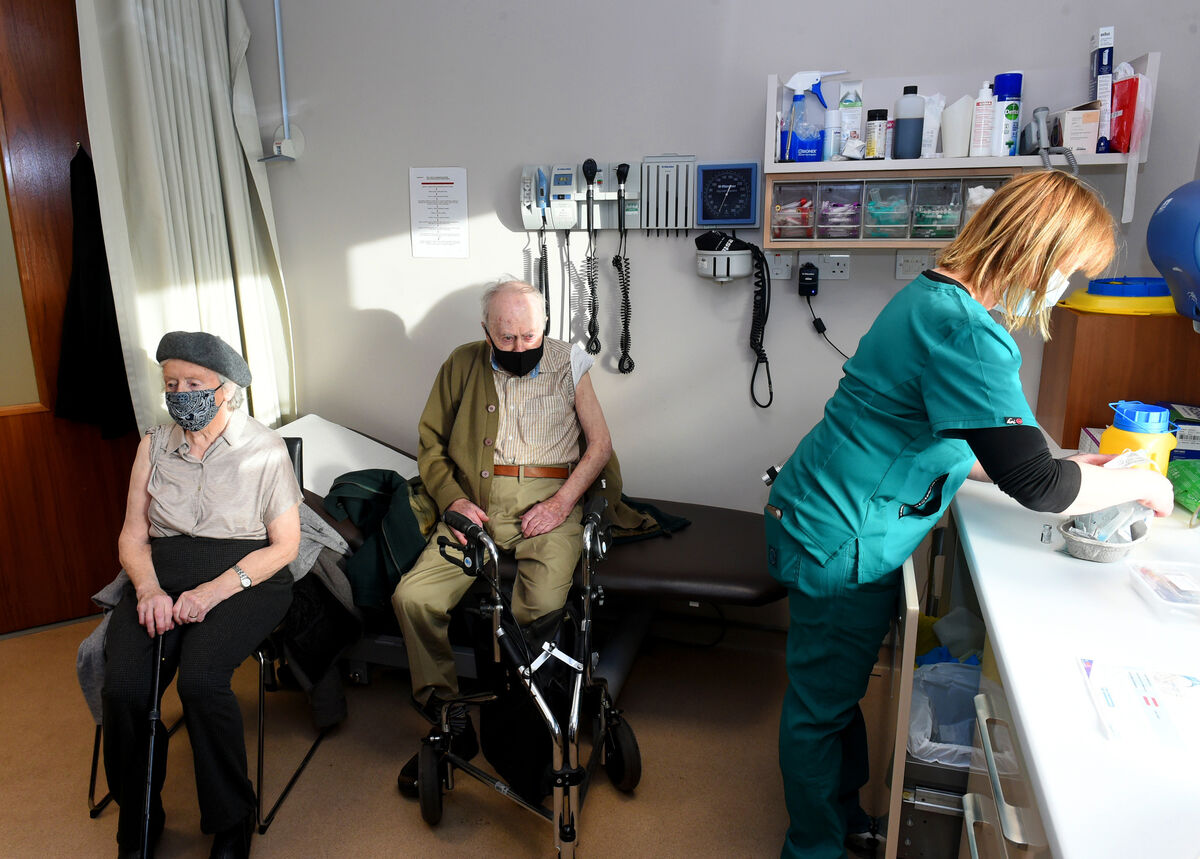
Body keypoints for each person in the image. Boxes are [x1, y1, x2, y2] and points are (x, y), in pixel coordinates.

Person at [763, 171, 1176, 859]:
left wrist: (1092, 471)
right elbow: (1037, 483)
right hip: (839, 536)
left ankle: (838, 818)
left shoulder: (933, 295)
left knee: (833, 695)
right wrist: (1140, 486)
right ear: (1036, 252)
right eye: (1067, 271)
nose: (1063, 287)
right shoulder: (966, 329)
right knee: (819, 709)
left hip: (830, 514)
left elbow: (957, 439)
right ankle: (812, 847)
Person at [392, 279, 613, 793]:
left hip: (551, 502)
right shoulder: (462, 363)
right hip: (477, 504)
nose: (518, 348)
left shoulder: (567, 361)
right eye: (506, 338)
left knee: (537, 614)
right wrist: (452, 501)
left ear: (545, 328)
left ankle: (527, 724)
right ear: (486, 331)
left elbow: (599, 446)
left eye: (529, 337)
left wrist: (562, 504)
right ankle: (450, 717)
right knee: (413, 598)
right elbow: (430, 445)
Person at [102, 331, 302, 859]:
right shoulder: (153, 444)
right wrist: (146, 589)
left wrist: (211, 593)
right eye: (172, 383)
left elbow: (285, 546)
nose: (181, 392)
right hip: (162, 573)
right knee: (123, 687)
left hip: (244, 576)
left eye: (194, 383)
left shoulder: (264, 449)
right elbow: (132, 535)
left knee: (202, 682)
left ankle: (232, 817)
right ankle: (140, 811)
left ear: (225, 390)